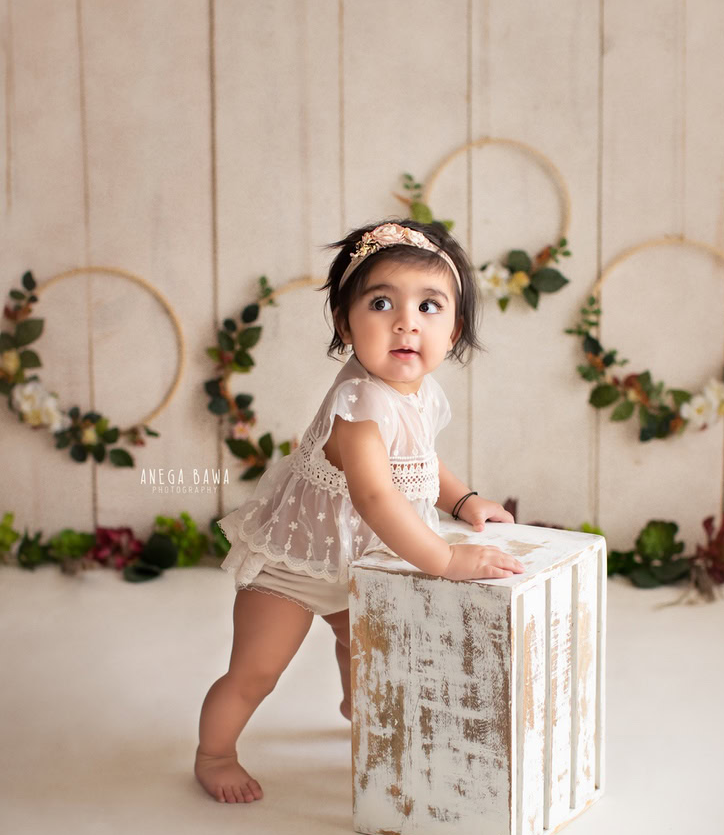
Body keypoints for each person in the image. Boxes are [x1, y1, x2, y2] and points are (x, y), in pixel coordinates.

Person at [195, 218, 526, 804]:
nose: (406, 322)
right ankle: (214, 753)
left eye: (429, 306)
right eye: (381, 303)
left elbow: (421, 460)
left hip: (361, 561)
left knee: (370, 650)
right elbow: (375, 498)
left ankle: (359, 706)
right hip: (295, 568)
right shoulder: (360, 405)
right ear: (346, 324)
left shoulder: (417, 391)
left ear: (453, 332)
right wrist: (446, 558)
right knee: (255, 674)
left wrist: (463, 499)